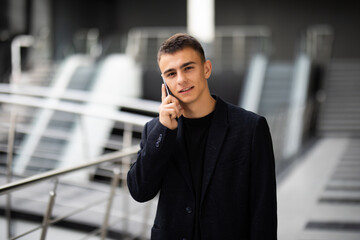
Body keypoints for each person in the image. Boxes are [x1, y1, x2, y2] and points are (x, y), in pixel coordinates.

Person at [127, 33, 277, 240]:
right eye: (171, 74)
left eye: (188, 68)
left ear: (206, 68)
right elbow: (139, 191)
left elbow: (264, 210)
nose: (181, 80)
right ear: (164, 82)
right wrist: (164, 131)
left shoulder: (250, 128)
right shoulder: (155, 130)